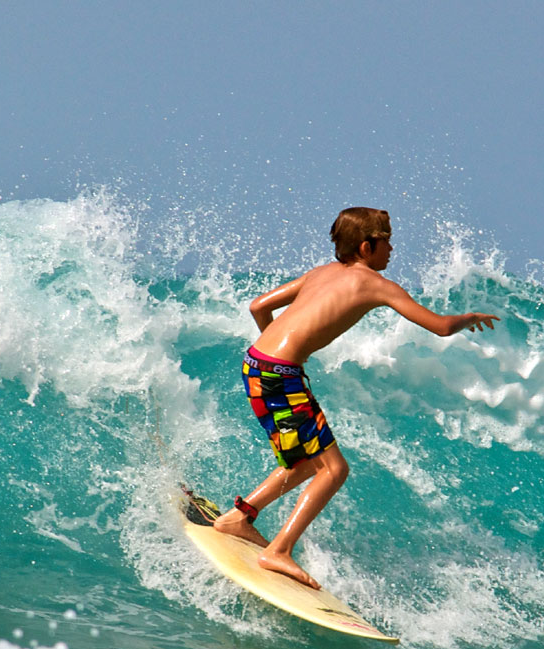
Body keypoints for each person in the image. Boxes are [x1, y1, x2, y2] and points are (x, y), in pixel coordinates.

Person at [210, 207, 499, 589]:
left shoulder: (321, 273)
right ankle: (278, 551)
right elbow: (441, 327)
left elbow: (259, 306)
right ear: (367, 246)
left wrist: (282, 351)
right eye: (387, 241)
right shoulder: (376, 284)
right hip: (280, 375)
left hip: (256, 365)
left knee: (305, 461)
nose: (393, 249)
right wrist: (467, 317)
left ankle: (238, 518)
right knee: (334, 470)